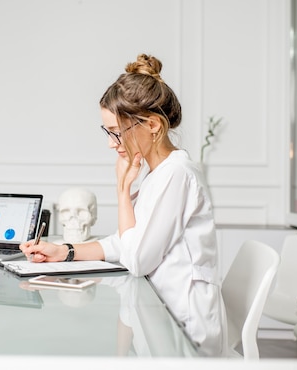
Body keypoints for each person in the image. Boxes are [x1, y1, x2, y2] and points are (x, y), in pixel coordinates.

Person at [20, 53, 227, 356]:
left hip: (185, 332)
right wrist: (65, 251)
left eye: (116, 132)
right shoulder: (159, 174)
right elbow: (124, 242)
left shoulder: (177, 174)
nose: (111, 142)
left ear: (153, 125)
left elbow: (138, 259)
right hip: (162, 316)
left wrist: (122, 190)